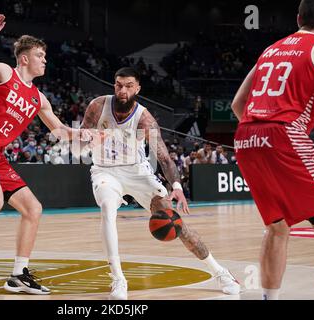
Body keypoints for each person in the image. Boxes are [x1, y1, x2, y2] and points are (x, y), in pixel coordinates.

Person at [0, 13, 96, 299]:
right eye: (39, 55)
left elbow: (60, 131)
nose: (44, 60)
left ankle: (18, 275)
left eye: (45, 56)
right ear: (24, 58)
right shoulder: (4, 72)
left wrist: (84, 135)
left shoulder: (39, 97)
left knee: (33, 209)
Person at [81, 67, 240, 300]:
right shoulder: (98, 105)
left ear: (137, 88)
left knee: (175, 222)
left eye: (128, 86)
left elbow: (164, 158)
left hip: (137, 172)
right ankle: (118, 279)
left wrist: (177, 187)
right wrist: (86, 138)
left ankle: (220, 272)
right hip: (105, 171)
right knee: (107, 207)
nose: (122, 90)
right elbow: (81, 138)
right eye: (118, 85)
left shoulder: (144, 118)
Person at [231, 0, 314, 300]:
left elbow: (238, 104)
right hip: (285, 133)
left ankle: (269, 299)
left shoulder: (270, 50)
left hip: (246, 136)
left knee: (278, 226)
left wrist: (262, 134)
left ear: (298, 18)